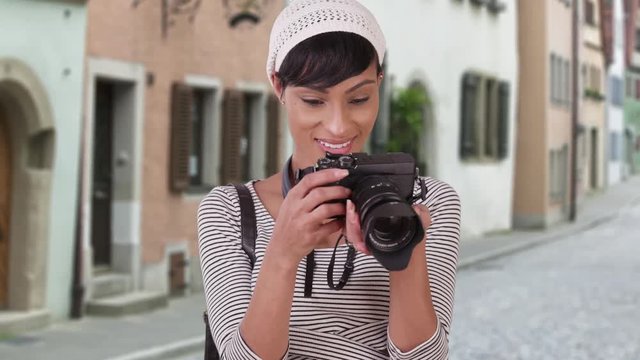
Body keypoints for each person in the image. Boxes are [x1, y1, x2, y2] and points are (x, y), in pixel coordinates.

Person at [197, 1, 461, 359]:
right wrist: (283, 252)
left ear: (379, 83)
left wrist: (405, 247)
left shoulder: (431, 203)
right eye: (313, 101)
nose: (338, 125)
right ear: (278, 86)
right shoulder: (229, 210)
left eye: (359, 98)